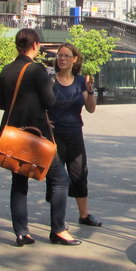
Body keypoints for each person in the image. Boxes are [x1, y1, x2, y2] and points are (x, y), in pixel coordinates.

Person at [0, 29, 80, 247]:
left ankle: (22, 232)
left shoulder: (6, 70)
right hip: (36, 135)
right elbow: (50, 101)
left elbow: (1, 103)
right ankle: (58, 230)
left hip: (14, 134)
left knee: (19, 181)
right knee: (60, 180)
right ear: (35, 44)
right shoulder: (37, 69)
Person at [48, 43, 101, 228]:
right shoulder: (50, 80)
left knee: (79, 174)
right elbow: (40, 104)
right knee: (56, 177)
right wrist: (44, 120)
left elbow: (91, 109)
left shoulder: (80, 81)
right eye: (59, 55)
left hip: (74, 134)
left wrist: (90, 90)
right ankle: (57, 219)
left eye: (66, 56)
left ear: (75, 59)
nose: (62, 59)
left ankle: (84, 215)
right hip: (54, 135)